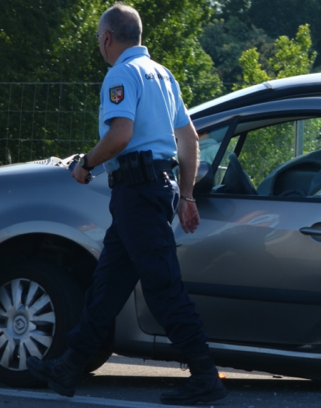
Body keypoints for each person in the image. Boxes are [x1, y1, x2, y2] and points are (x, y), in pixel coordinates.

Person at [26, 3, 227, 405]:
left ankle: (206, 376)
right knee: (108, 285)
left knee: (163, 287)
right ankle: (68, 369)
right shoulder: (162, 74)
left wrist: (86, 164)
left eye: (99, 39)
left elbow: (120, 135)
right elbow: (187, 139)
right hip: (153, 191)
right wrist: (186, 195)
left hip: (137, 193)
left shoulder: (121, 74)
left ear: (107, 38)